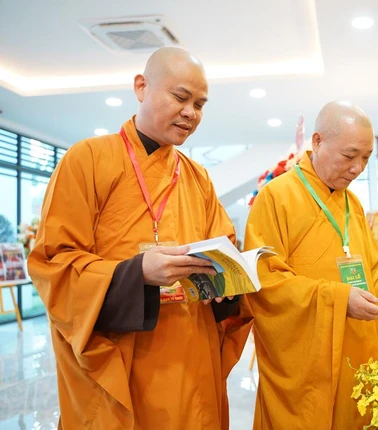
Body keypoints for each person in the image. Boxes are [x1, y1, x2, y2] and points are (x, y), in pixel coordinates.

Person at [27, 47, 252, 430]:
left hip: (190, 355)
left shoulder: (198, 178)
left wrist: (225, 286)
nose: (191, 113)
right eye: (180, 97)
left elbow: (223, 250)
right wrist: (137, 273)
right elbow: (54, 263)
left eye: (200, 104)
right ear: (141, 87)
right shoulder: (87, 159)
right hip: (118, 358)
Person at [243, 101, 378, 429]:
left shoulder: (352, 203)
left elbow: (373, 276)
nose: (357, 168)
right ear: (317, 142)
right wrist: (338, 300)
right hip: (307, 369)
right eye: (349, 156)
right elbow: (265, 283)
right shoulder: (276, 197)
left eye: (366, 158)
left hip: (358, 359)